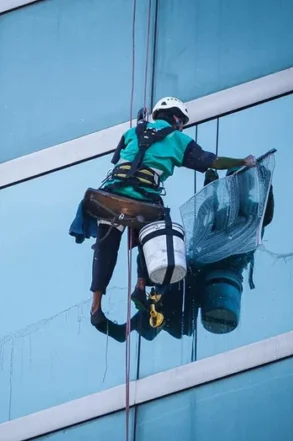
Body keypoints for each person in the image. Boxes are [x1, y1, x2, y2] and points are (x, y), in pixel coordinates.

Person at [90, 97, 258, 328]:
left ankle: (96, 306)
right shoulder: (177, 138)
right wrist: (243, 161)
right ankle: (141, 286)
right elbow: (212, 161)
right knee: (157, 234)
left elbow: (120, 157)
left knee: (106, 244)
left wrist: (142, 125)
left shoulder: (132, 132)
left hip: (110, 194)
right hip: (143, 196)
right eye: (182, 122)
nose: (181, 127)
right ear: (177, 118)